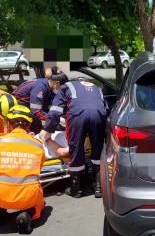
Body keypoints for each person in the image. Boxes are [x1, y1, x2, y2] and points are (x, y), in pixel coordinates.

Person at [0, 105, 45, 234]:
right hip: (27, 197)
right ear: (29, 125)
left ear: (8, 123)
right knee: (37, 187)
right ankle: (29, 213)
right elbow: (38, 169)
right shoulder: (37, 145)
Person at [39, 71, 107, 199]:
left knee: (76, 148)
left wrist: (48, 129)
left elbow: (55, 111)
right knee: (97, 148)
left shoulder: (67, 86)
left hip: (77, 116)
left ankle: (76, 189)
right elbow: (105, 107)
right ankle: (98, 187)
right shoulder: (97, 88)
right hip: (99, 116)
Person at [10, 67, 56, 133]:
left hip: (29, 105)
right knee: (36, 124)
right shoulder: (40, 87)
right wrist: (52, 119)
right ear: (55, 83)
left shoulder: (48, 87)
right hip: (19, 107)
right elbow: (36, 111)